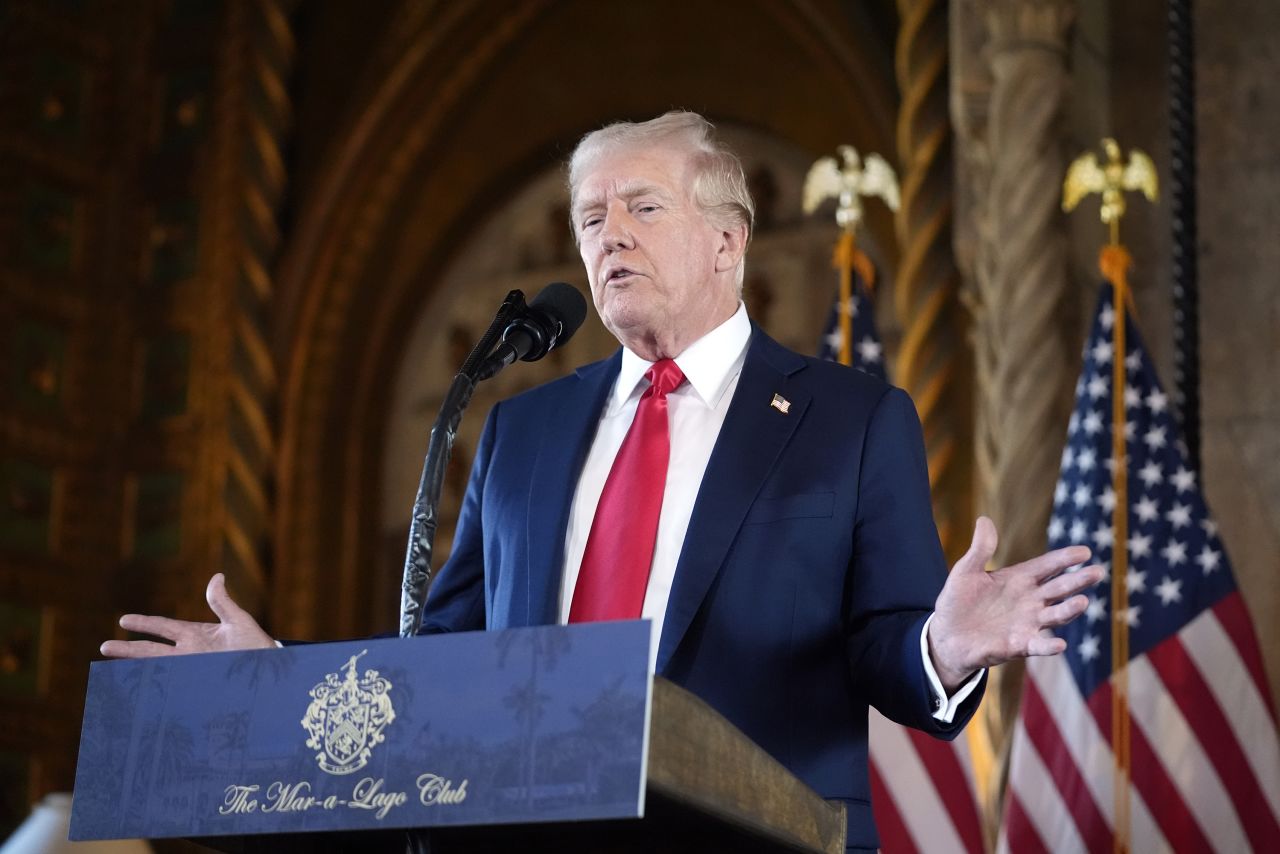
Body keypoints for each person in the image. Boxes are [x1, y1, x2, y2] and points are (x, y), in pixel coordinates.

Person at [103, 111, 1102, 851]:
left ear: (726, 241)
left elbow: (890, 654)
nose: (608, 233)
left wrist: (943, 642)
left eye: (641, 206)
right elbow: (445, 665)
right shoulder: (519, 429)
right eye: (590, 216)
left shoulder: (848, 419)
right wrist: (279, 675)